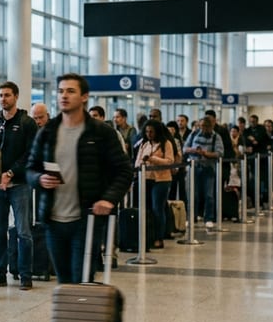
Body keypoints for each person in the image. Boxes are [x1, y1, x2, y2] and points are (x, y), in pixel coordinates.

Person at [27, 73, 132, 284]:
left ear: (84, 97)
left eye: (71, 91)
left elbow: (124, 170)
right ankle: (71, 316)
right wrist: (39, 179)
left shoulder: (101, 132)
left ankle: (80, 314)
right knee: (64, 281)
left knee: (82, 279)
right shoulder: (48, 131)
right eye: (61, 91)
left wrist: (109, 199)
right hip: (53, 220)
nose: (64, 96)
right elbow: (30, 168)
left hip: (87, 220)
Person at [0, 81, 38, 290]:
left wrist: (10, 173)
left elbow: (31, 154)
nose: (3, 99)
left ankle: (25, 274)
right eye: (0, 95)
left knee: (23, 231)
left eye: (7, 95)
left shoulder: (26, 122)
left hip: (20, 185)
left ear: (16, 96)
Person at [135, 120, 175, 249]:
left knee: (157, 208)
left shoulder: (166, 144)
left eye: (151, 131)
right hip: (145, 179)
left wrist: (152, 159)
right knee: (146, 208)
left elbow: (170, 161)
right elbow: (138, 161)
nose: (149, 134)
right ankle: (148, 235)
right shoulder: (144, 144)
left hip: (161, 180)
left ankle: (159, 237)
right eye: (146, 131)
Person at [185, 117, 225, 230]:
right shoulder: (193, 134)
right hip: (194, 167)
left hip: (208, 168)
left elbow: (220, 153)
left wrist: (205, 153)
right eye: (201, 126)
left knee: (209, 195)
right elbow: (185, 148)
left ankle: (208, 218)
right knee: (193, 194)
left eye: (205, 126)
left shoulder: (216, 137)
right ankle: (192, 217)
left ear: (210, 126)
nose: (202, 129)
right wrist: (194, 150)